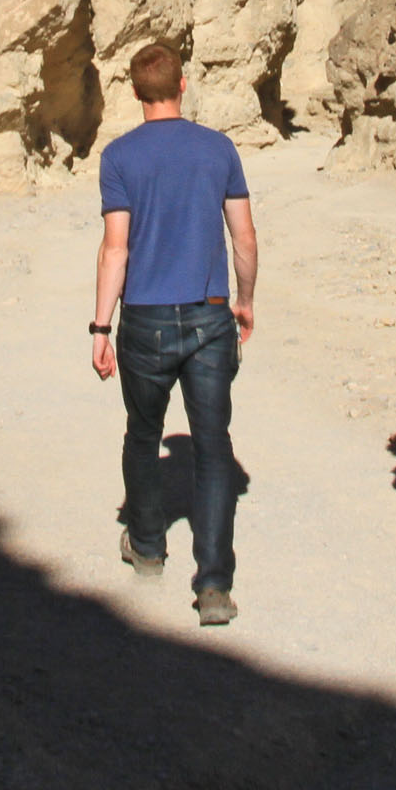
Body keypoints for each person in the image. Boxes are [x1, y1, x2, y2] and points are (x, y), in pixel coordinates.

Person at [91, 41, 257, 627]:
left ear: (136, 94)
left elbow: (117, 248)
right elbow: (244, 237)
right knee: (214, 449)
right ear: (182, 86)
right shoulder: (219, 150)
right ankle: (214, 586)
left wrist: (99, 326)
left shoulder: (118, 157)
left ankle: (148, 545)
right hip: (211, 315)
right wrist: (246, 301)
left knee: (143, 433)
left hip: (145, 318)